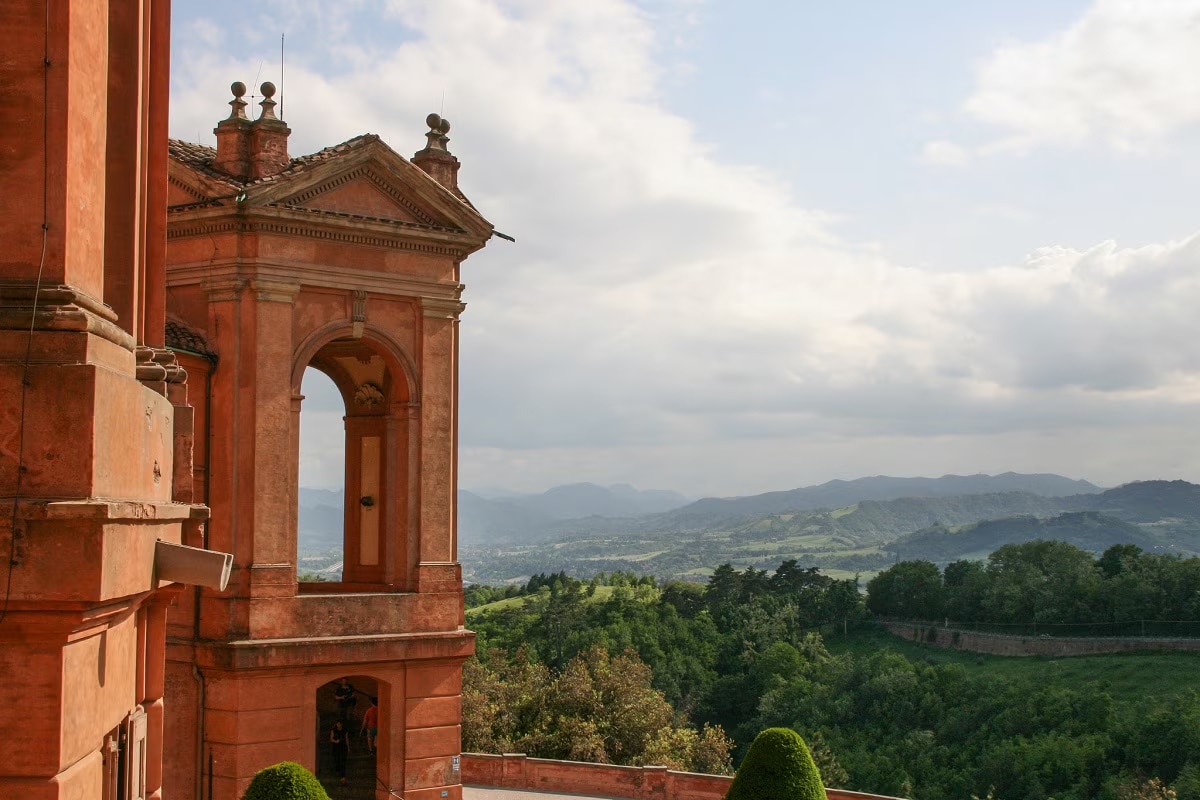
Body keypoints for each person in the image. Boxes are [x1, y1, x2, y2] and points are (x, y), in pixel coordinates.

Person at [330, 720, 350, 785]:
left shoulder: (344, 731)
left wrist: (348, 748)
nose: (338, 725)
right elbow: (331, 738)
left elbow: (346, 739)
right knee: (337, 759)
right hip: (336, 747)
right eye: (337, 724)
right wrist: (336, 741)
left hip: (343, 747)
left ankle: (343, 776)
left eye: (339, 724)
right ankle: (338, 771)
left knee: (342, 761)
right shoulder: (334, 730)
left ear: (341, 724)